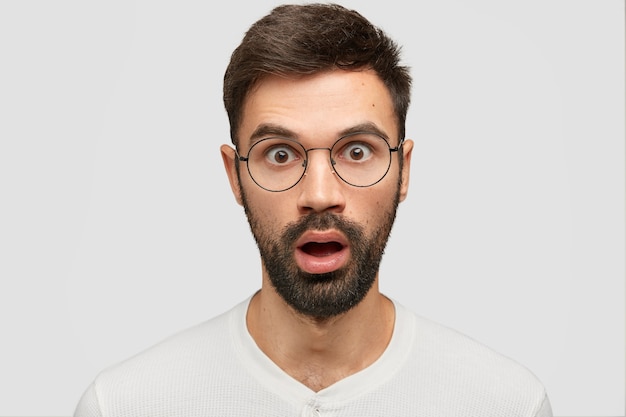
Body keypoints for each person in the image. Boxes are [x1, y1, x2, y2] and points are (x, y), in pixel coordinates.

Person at [74, 3, 552, 416]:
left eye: (357, 151)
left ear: (403, 171)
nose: (320, 195)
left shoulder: (504, 404)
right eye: (280, 154)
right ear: (234, 175)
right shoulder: (127, 405)